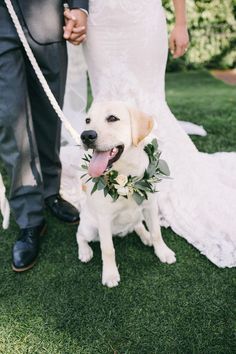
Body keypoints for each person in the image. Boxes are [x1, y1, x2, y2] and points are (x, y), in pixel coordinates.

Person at [61, 0, 236, 268]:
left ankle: (153, 180)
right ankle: (113, 177)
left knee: (149, 100)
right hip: (99, 21)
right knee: (106, 101)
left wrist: (181, 23)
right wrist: (76, 12)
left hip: (142, 17)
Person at [0, 0, 88, 272]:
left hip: (46, 18)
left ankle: (50, 191)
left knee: (50, 115)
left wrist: (80, 7)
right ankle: (30, 218)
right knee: (9, 118)